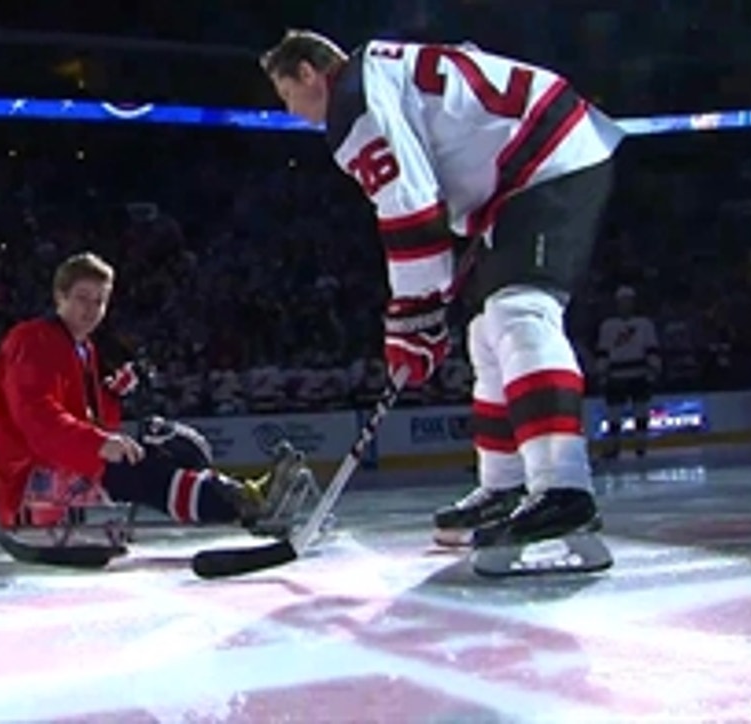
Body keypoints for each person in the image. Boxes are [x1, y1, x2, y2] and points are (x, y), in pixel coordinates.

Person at [260, 31, 623, 555]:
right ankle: (506, 485)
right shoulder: (381, 69)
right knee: (485, 333)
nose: (292, 110)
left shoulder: (354, 103)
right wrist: (422, 308)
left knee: (520, 311)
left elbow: (411, 208)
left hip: (548, 159)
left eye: (286, 94)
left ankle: (565, 489)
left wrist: (413, 316)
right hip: (524, 170)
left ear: (308, 74)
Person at [0, 252, 308, 533]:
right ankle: (244, 503)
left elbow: (93, 422)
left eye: (100, 300)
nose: (92, 308)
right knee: (142, 472)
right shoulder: (32, 339)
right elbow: (37, 419)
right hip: (35, 472)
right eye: (82, 297)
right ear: (60, 297)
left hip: (69, 456)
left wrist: (110, 395)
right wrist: (99, 443)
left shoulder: (81, 348)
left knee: (177, 450)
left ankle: (240, 495)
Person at [596, 286, 661, 459]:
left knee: (641, 412)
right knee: (614, 414)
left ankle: (641, 446)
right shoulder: (608, 326)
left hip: (639, 373)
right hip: (616, 374)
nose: (625, 305)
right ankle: (614, 446)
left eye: (628, 301)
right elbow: (604, 351)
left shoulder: (644, 324)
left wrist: (654, 368)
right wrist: (602, 372)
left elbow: (651, 348)